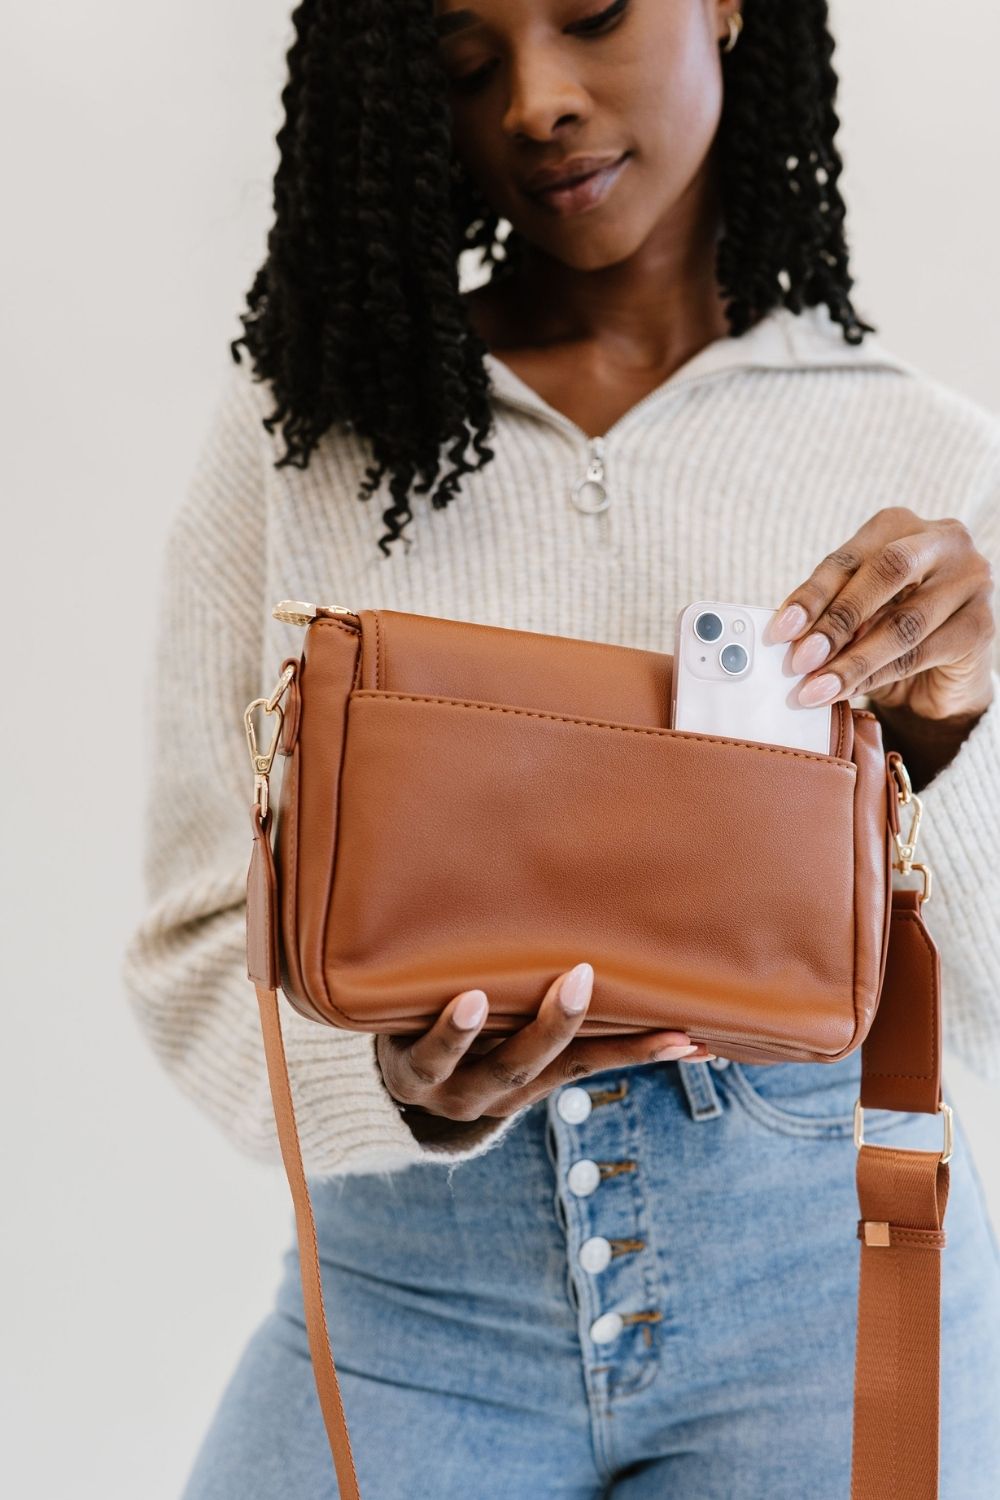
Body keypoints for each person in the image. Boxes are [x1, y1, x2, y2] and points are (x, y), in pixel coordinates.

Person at [121, 1, 1000, 1495]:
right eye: (464, 64)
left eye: (593, 11)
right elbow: (194, 945)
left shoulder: (924, 457)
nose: (536, 101)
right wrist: (400, 1088)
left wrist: (935, 745)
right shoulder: (302, 439)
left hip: (827, 1294)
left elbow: (960, 1003)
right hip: (411, 1298)